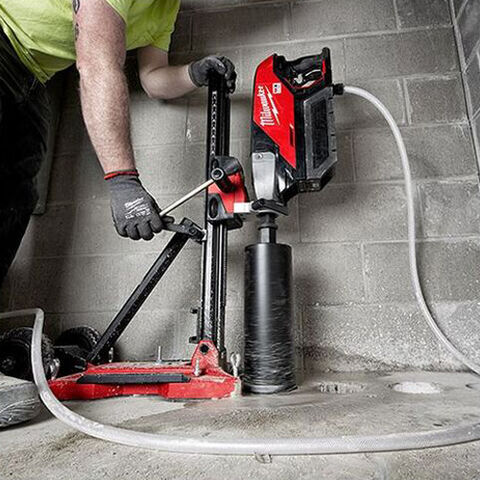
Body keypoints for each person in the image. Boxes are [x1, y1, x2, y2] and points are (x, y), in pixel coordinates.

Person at [0, 0, 236, 427]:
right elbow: (97, 63)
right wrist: (123, 180)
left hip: (31, 75)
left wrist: (194, 73)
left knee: (13, 197)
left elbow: (153, 78)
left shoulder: (165, 9)